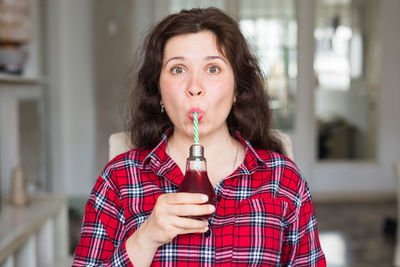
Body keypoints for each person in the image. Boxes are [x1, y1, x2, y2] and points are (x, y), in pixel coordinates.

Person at [73, 7, 326, 267]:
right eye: (178, 70)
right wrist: (146, 238)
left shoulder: (283, 180)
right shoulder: (119, 179)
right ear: (158, 91)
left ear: (237, 88)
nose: (195, 87)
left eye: (213, 69)